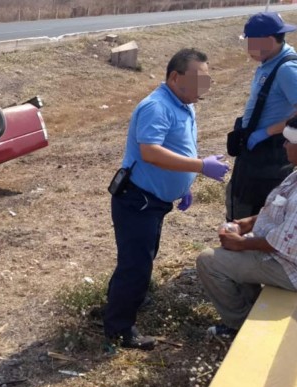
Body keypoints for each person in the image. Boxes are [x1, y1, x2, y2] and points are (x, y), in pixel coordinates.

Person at [103, 48, 231, 350]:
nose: (204, 87)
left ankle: (121, 302)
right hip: (138, 201)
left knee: (140, 258)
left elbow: (178, 147)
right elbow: (151, 152)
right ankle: (119, 328)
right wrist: (200, 166)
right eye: (199, 79)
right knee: (136, 264)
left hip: (154, 201)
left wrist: (183, 185)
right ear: (175, 77)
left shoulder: (184, 104)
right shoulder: (156, 107)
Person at [197, 117, 297, 338]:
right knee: (233, 258)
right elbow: (278, 209)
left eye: (289, 141)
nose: (283, 145)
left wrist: (242, 243)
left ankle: (240, 327)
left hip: (289, 267)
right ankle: (253, 312)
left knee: (209, 261)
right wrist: (247, 223)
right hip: (281, 256)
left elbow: (285, 245)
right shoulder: (295, 174)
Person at [226, 12, 297, 221]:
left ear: (267, 40)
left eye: (250, 41)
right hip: (254, 152)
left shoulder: (287, 69)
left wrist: (266, 132)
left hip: (269, 157)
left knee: (250, 212)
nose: (247, 47)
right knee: (238, 200)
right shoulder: (270, 62)